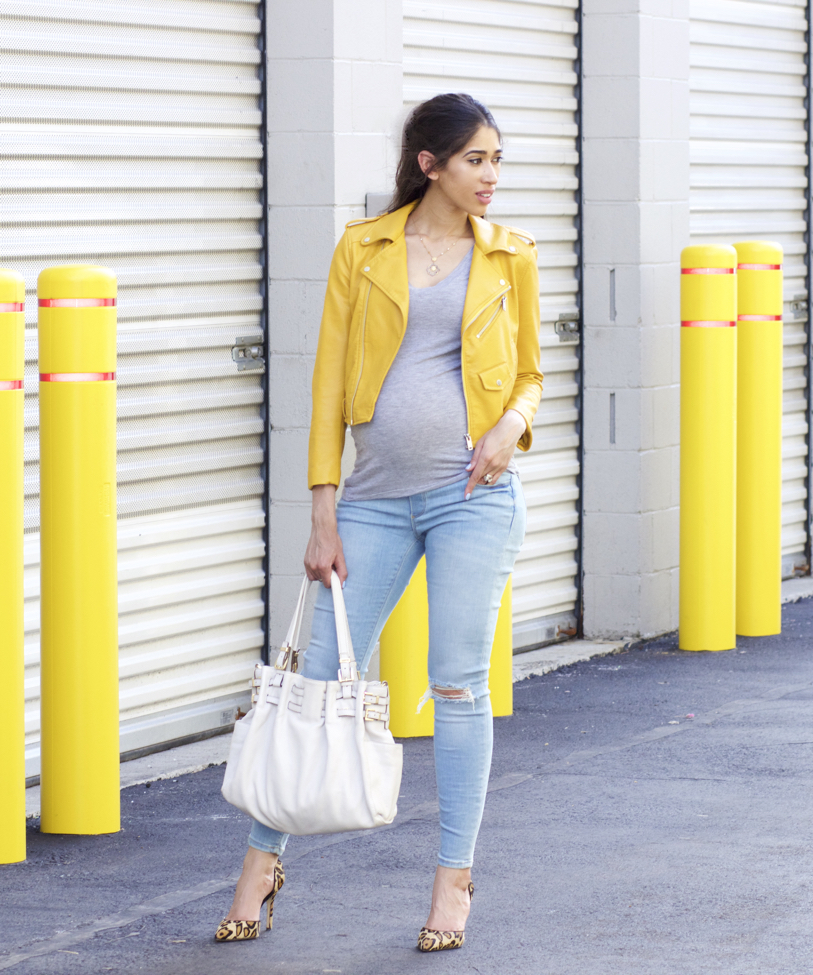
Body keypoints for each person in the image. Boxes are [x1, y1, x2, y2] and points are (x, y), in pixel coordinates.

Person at [216, 92, 543, 952]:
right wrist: (321, 510)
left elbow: (532, 375)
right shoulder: (362, 250)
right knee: (316, 676)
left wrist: (512, 427)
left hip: (473, 498)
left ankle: (453, 881)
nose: (491, 177)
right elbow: (326, 385)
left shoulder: (511, 254)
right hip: (372, 501)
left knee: (457, 683)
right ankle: (260, 864)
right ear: (429, 164)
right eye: (476, 160)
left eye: (497, 161)